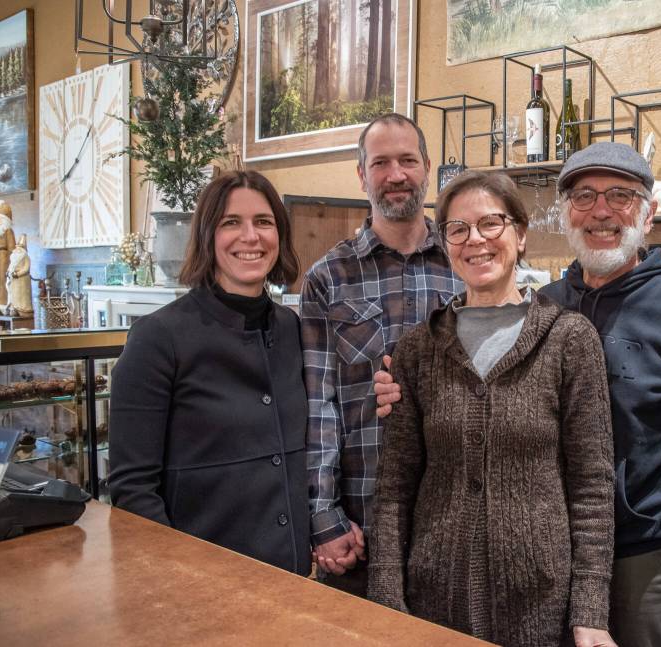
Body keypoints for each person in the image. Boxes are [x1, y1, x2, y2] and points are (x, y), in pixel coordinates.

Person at [376, 142, 661, 647]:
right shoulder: (534, 310)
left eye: (619, 196)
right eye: (584, 196)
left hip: (643, 560)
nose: (600, 210)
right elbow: (397, 484)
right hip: (486, 582)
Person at [368, 171, 616, 647]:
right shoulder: (418, 350)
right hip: (432, 603)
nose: (474, 240)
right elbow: (395, 487)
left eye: (490, 224)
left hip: (541, 609)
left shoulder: (569, 341)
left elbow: (592, 488)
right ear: (445, 244)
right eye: (458, 229)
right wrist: (386, 597)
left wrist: (590, 611)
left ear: (520, 234)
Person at [109, 170, 309, 574]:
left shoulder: (292, 328)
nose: (250, 237)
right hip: (201, 582)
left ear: (280, 235)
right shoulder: (158, 337)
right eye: (230, 223)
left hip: (293, 580)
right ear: (206, 235)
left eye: (264, 222)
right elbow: (132, 490)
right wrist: (181, 575)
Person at [301, 113, 462, 596]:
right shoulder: (328, 278)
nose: (396, 175)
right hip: (361, 526)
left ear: (427, 168)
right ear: (361, 174)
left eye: (408, 160)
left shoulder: (466, 265)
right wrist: (323, 513)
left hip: (455, 519)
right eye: (381, 163)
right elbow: (319, 408)